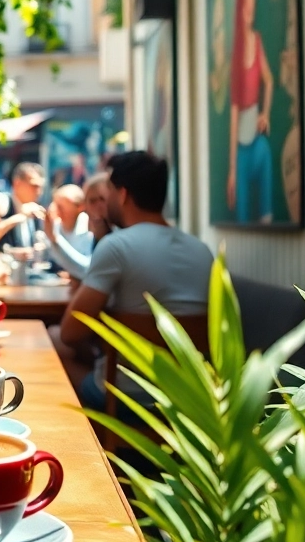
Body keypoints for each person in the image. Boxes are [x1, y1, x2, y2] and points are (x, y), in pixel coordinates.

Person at [57, 151, 213, 409]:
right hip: (190, 399)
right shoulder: (201, 250)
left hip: (127, 397)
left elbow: (70, 332)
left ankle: (93, 445)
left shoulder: (117, 246)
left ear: (123, 194)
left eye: (108, 193)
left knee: (56, 351)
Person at [226, 0, 277, 223]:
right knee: (244, 217)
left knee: (266, 215)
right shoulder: (235, 54)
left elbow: (269, 80)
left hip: (258, 145)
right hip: (242, 152)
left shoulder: (257, 41)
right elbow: (234, 117)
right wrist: (233, 170)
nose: (250, 2)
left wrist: (265, 113)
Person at [0, 162, 48, 250]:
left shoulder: (35, 209)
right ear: (17, 184)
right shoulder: (2, 205)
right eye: (34, 186)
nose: (39, 192)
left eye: (41, 187)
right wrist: (20, 216)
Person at [44, 184, 94, 279]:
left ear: (80, 207)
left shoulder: (90, 227)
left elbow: (87, 268)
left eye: (61, 206)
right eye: (56, 204)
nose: (57, 210)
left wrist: (56, 240)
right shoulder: (54, 226)